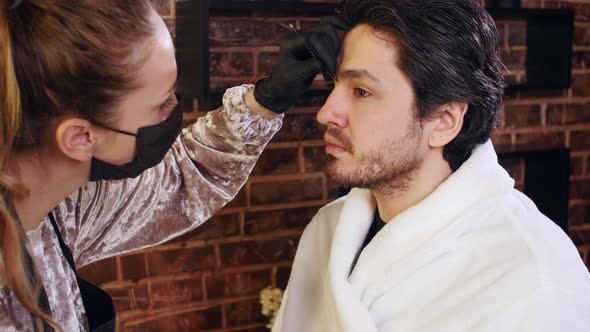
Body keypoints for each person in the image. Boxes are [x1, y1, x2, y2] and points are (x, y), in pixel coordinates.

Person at [0, 0, 343, 331]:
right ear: (81, 138)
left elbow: (182, 177)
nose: (174, 108)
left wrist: (269, 98)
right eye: (162, 103)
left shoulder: (57, 213)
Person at [272, 0, 590, 331]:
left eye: (361, 91)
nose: (325, 113)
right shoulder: (327, 230)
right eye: (333, 85)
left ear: (444, 121)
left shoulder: (535, 281)